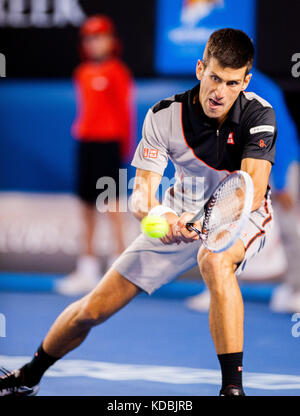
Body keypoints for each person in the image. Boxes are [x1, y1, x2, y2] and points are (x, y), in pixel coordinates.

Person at [0, 28, 276, 396]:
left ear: (245, 80)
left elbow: (252, 191)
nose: (219, 92)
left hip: (243, 215)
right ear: (199, 69)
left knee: (213, 258)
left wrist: (204, 222)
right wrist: (161, 218)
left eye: (230, 82)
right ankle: (27, 376)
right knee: (92, 310)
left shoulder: (259, 115)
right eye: (213, 77)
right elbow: (140, 198)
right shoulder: (164, 116)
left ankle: (232, 390)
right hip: (181, 207)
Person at [186, 68, 300, 312]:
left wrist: (278, 182)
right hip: (239, 167)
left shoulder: (264, 91)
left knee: (291, 229)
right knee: (220, 225)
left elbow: (280, 136)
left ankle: (297, 290)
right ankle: (217, 289)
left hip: (279, 164)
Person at [56, 15, 135, 296]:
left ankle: (118, 270)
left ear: (111, 40)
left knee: (112, 207)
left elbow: (126, 115)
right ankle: (87, 268)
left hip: (109, 145)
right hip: (86, 145)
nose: (94, 43)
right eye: (89, 38)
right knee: (86, 207)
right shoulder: (82, 73)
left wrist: (124, 150)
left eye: (99, 36)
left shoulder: (118, 72)